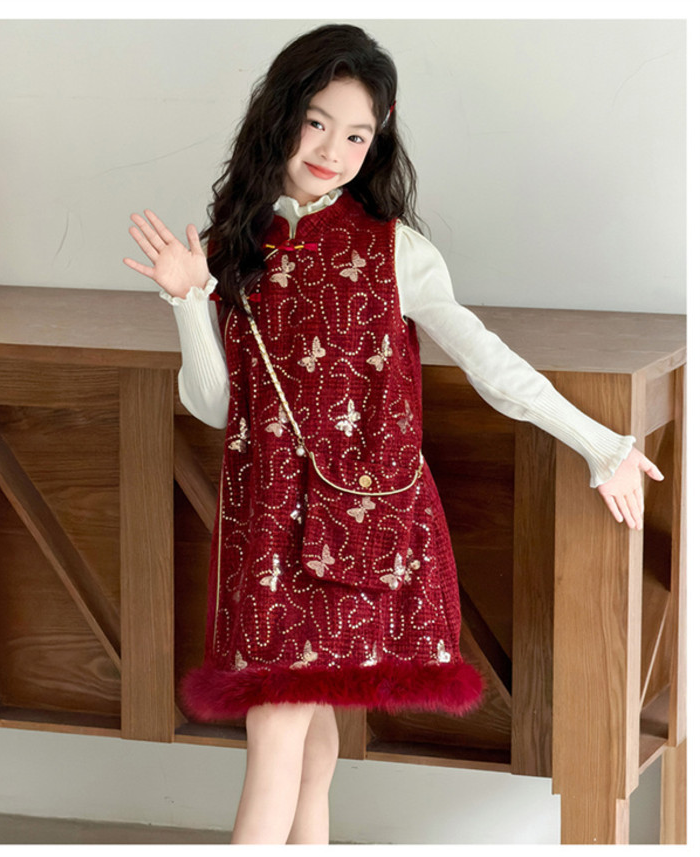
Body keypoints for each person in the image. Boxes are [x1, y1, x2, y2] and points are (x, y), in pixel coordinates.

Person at [123, 23, 663, 845]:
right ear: (279, 116)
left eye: (355, 134)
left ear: (377, 140)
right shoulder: (235, 247)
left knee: (277, 724)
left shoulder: (394, 251)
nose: (331, 150)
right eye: (316, 122)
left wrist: (600, 443)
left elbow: (488, 361)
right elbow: (216, 405)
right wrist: (187, 301)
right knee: (305, 737)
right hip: (263, 525)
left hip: (355, 523)